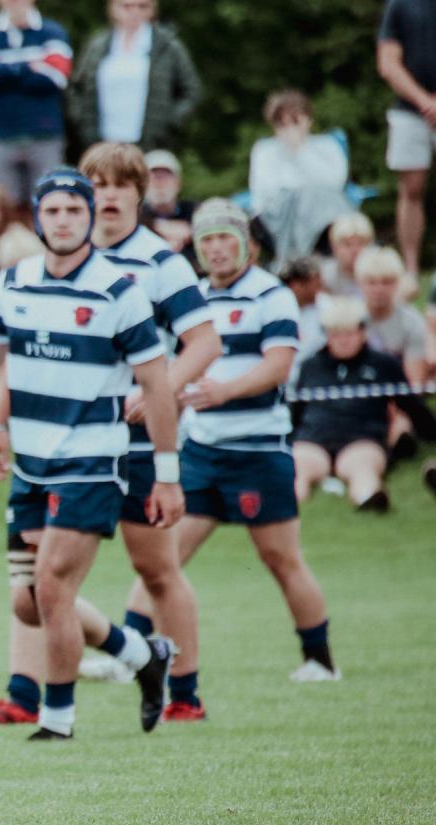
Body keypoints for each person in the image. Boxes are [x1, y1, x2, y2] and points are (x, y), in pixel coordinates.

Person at [0, 168, 182, 741]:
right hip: (31, 465)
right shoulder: (14, 282)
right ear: (37, 217)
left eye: (74, 211)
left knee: (54, 588)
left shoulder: (119, 290)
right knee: (29, 602)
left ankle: (56, 720)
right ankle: (140, 654)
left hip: (93, 462)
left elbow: (156, 385)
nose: (63, 220)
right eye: (52, 211)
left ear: (89, 218)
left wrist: (169, 474)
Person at [141, 198, 341, 683]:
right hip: (203, 452)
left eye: (226, 237)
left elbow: (278, 364)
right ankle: (128, 647)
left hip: (258, 452)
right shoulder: (192, 301)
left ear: (248, 245)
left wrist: (222, 391)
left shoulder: (271, 295)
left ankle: (319, 660)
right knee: (162, 559)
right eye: (207, 239)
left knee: (280, 559)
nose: (217, 248)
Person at [293, 299, 409, 511]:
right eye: (336, 334)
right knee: (298, 469)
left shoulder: (384, 364)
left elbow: (411, 404)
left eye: (350, 333)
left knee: (363, 469)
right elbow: (295, 412)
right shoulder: (310, 366)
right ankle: (286, 509)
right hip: (313, 440)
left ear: (363, 332)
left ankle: (369, 499)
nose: (343, 341)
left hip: (361, 440)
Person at [0, 0, 73, 207]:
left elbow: (56, 77)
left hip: (44, 134)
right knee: (2, 209)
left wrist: (5, 71)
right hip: (0, 136)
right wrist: (31, 66)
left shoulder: (53, 32)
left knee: (48, 203)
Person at [68, 0, 201, 151]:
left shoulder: (168, 46)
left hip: (151, 144)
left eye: (142, 6)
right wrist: (84, 123)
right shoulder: (97, 46)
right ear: (113, 8)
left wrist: (169, 122)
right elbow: (76, 88)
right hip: (101, 143)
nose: (134, 12)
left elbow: (192, 91)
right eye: (127, 6)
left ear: (152, 10)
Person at [248, 89, 351, 264]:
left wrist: (300, 152)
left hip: (323, 215)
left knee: (315, 200)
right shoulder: (264, 150)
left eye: (295, 121)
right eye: (282, 123)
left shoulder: (326, 146)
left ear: (308, 120)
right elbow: (264, 190)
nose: (289, 128)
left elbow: (334, 183)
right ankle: (297, 258)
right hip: (277, 216)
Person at [377, 0, 436, 276]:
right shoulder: (400, 5)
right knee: (411, 188)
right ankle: (410, 270)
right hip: (409, 111)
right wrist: (425, 102)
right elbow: (388, 63)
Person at [357, 246, 431, 383]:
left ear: (398, 283)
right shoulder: (350, 320)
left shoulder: (412, 322)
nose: (379, 289)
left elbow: (414, 382)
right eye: (371, 282)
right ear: (360, 283)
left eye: (387, 282)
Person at [278, 256, 328, 373]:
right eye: (314, 280)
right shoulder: (276, 311)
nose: (320, 283)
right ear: (296, 285)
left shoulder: (329, 308)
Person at [142, 149, 197, 254]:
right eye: (153, 177)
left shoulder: (194, 211)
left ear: (178, 183)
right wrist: (157, 225)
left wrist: (191, 232)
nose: (159, 183)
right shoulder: (135, 216)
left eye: (164, 177)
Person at [319, 212, 374, 300]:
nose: (355, 250)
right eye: (347, 244)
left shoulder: (381, 274)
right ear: (334, 246)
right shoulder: (324, 277)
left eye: (360, 243)